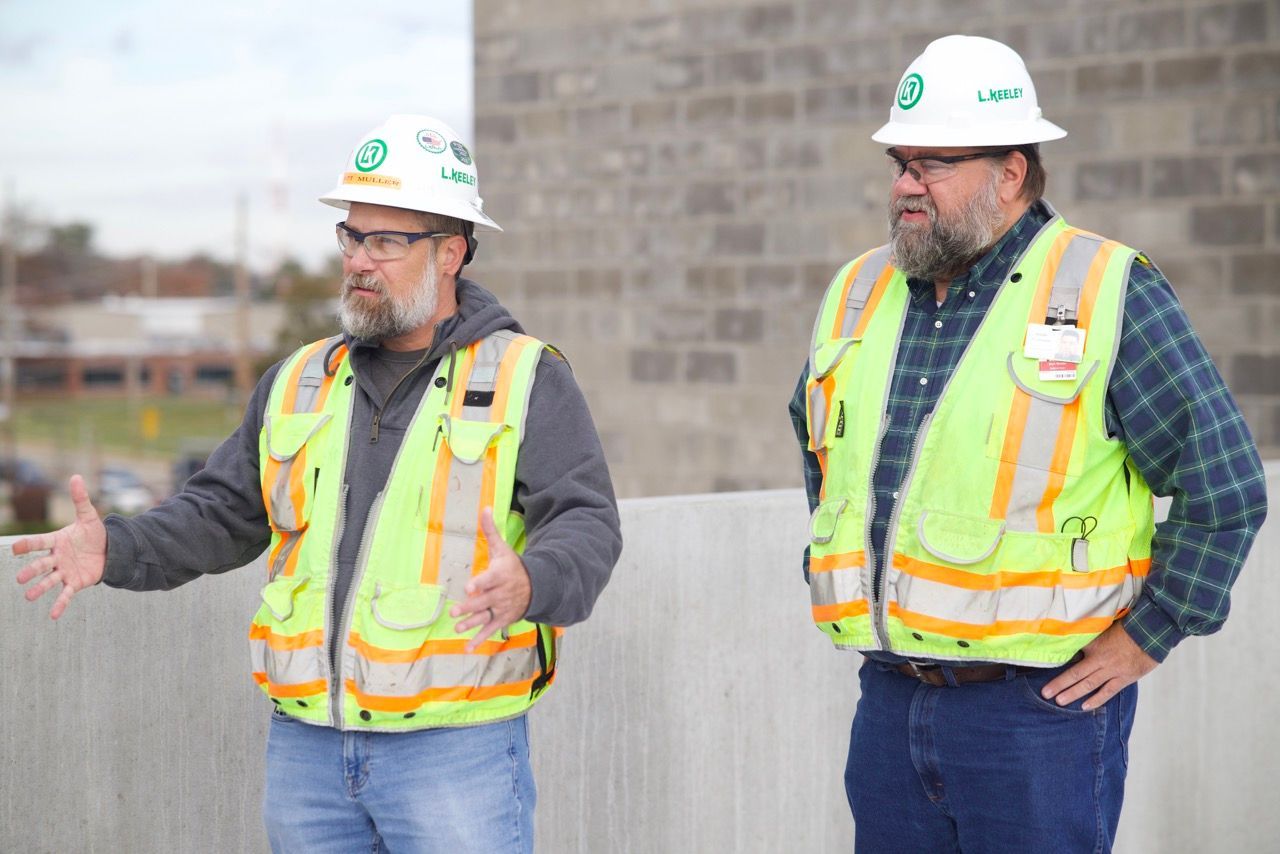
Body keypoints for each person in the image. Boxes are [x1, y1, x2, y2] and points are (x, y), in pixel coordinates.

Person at [14, 114, 623, 854]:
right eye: (351, 236)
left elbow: (587, 522)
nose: (359, 261)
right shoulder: (299, 379)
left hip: (454, 753)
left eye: (386, 241)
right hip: (308, 752)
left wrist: (533, 581)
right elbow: (221, 513)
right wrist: (116, 546)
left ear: (450, 252)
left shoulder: (526, 377)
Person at [788, 36, 1266, 853]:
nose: (905, 185)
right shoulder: (857, 291)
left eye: (933, 164)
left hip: (1037, 716)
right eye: (900, 164)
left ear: (1010, 172)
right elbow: (820, 451)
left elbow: (1224, 486)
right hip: (890, 702)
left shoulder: (1106, 289)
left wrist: (1148, 636)